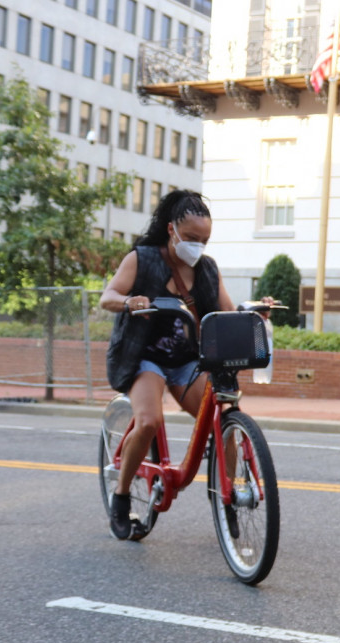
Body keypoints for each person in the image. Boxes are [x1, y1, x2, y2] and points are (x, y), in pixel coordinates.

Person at [100, 190, 262, 540]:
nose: (197, 246)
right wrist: (130, 301)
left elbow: (226, 313)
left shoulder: (206, 270)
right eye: (190, 238)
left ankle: (228, 498)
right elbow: (108, 297)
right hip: (146, 358)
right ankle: (122, 494)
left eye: (204, 240)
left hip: (188, 361)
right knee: (148, 421)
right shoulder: (141, 259)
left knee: (224, 417)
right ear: (172, 229)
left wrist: (254, 312)